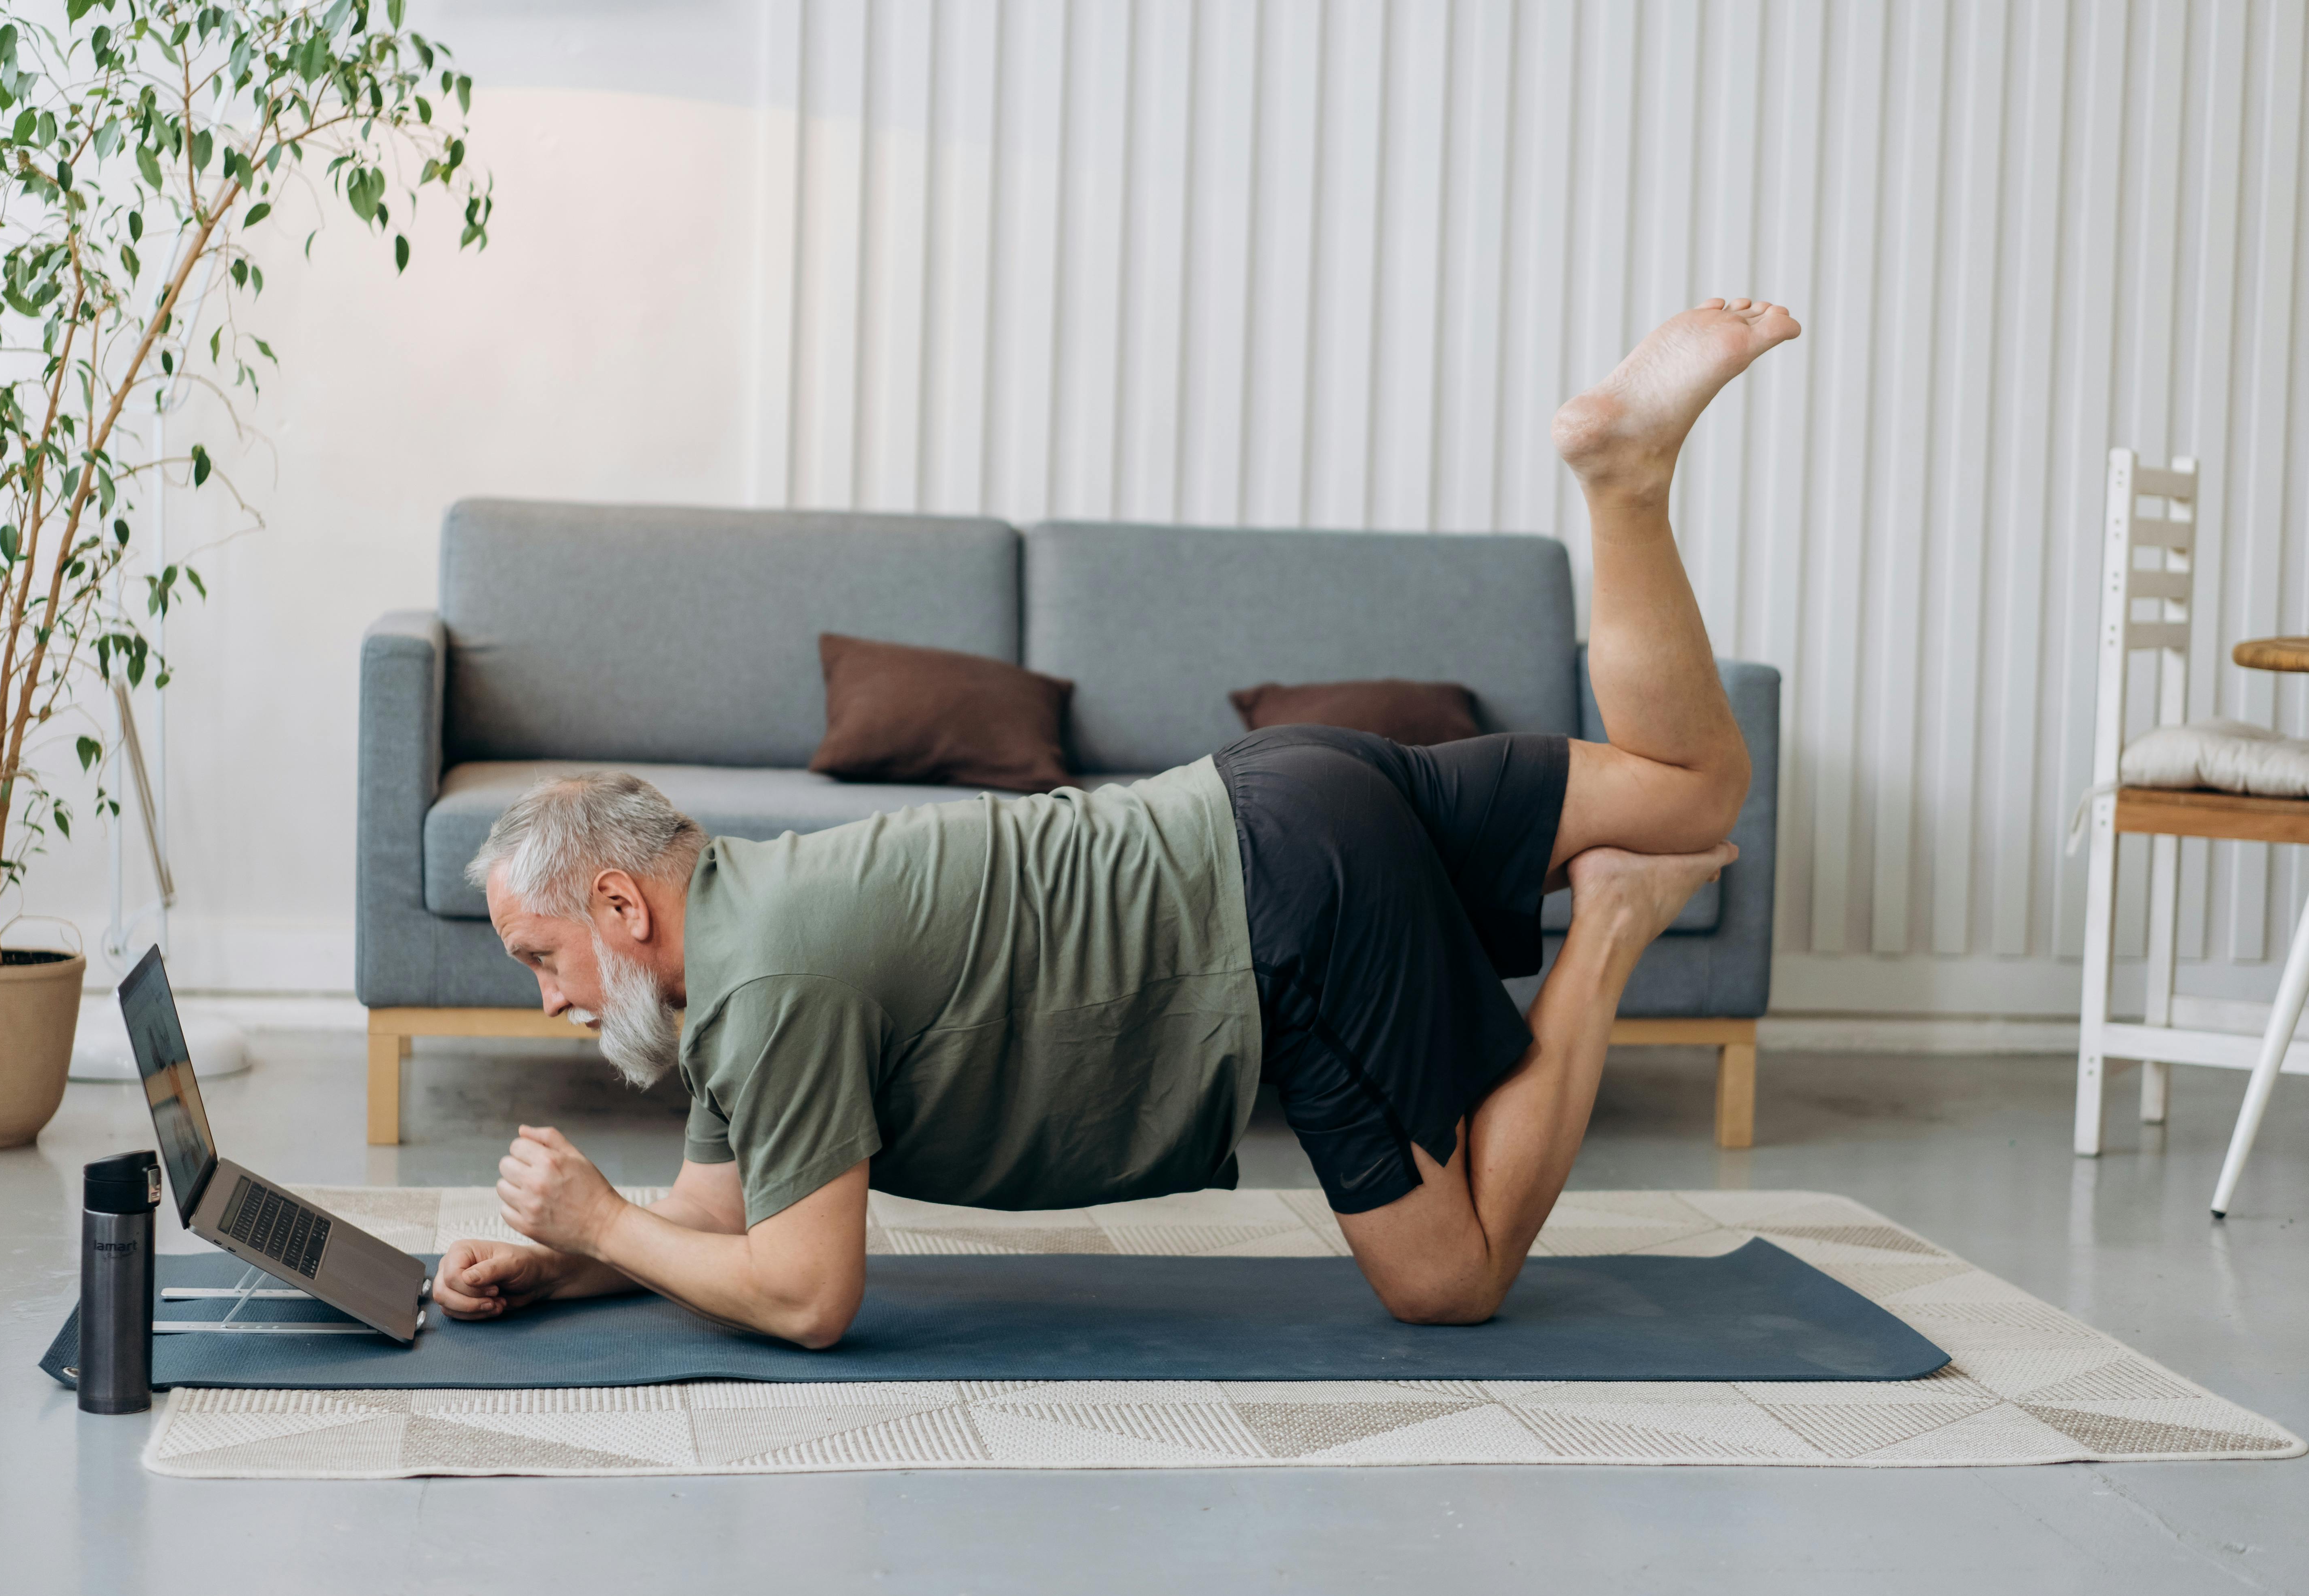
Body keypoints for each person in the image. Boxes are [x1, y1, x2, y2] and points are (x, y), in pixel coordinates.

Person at [431, 298, 1801, 1348]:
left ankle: (1611, 925)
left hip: (1283, 926)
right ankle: (1624, 482)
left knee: (1452, 1282)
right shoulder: (750, 929)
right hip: (1275, 789)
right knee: (1696, 787)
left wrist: (600, 1215)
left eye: (536, 956)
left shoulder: (772, 987)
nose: (547, 998)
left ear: (619, 907)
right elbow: (722, 1219)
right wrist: (574, 1262)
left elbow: (803, 1295)